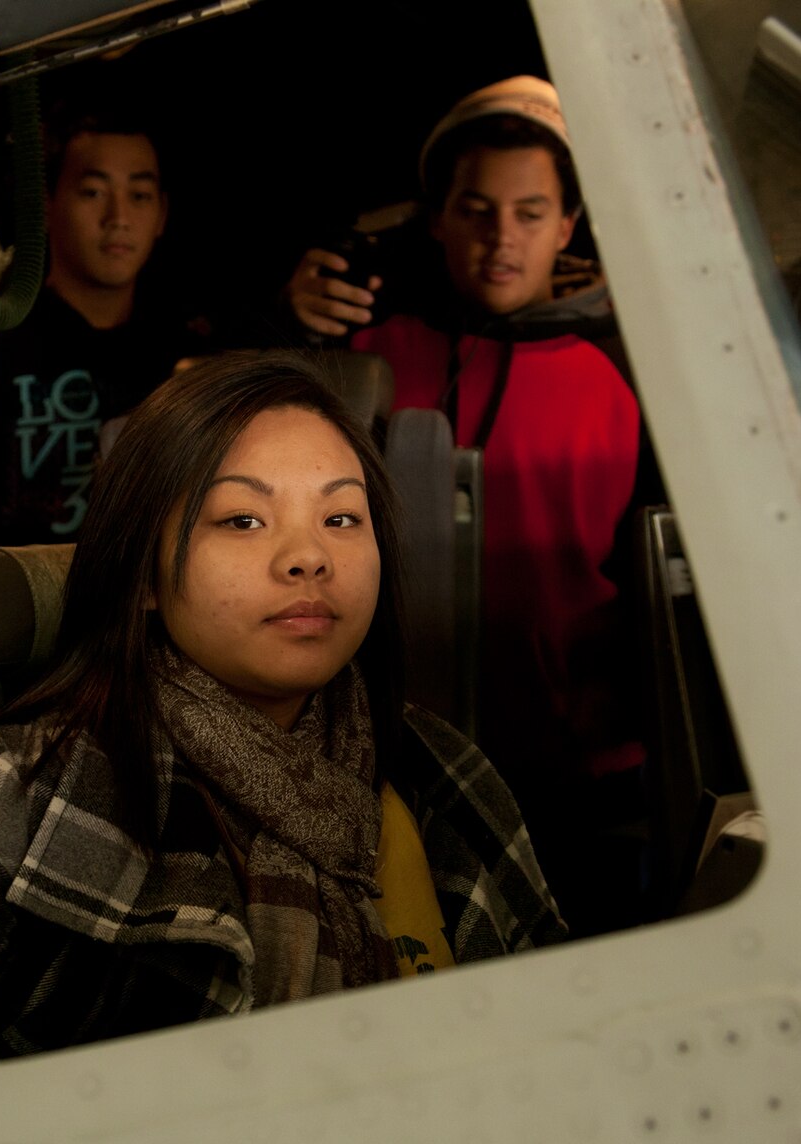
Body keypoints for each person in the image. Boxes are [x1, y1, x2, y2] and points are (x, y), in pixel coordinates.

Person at [0, 353, 566, 1057]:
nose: (308, 556)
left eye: (342, 516)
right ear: (144, 576)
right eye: (244, 519)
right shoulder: (13, 809)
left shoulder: (446, 774)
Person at [282, 77, 662, 937]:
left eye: (531, 213)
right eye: (477, 209)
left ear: (568, 227)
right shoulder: (371, 354)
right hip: (396, 768)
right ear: (439, 218)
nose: (502, 237)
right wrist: (289, 324)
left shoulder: (628, 375)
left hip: (579, 781)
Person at [0, 103, 192, 546]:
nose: (118, 217)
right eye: (93, 192)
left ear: (162, 215)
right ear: (46, 204)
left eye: (139, 196)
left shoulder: (183, 353)